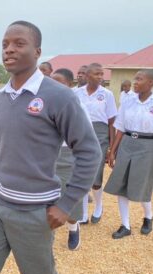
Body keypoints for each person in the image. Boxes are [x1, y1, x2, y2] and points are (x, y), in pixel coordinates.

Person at [0, 21, 101, 274]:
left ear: (37, 52)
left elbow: (89, 152)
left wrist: (67, 204)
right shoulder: (0, 97)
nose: (9, 50)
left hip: (33, 210)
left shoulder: (59, 96)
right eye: (5, 44)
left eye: (19, 44)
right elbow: (4, 143)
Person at [105, 69, 153, 238]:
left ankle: (148, 217)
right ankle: (125, 225)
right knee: (121, 186)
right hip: (126, 144)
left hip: (146, 146)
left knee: (142, 185)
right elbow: (120, 127)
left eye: (139, 79)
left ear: (150, 83)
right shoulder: (128, 101)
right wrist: (112, 151)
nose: (135, 82)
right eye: (135, 78)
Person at [51, 68, 91, 250]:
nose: (54, 86)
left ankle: (73, 228)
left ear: (70, 85)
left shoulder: (77, 106)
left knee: (69, 195)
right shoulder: (43, 103)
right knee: (45, 195)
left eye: (60, 82)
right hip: (46, 155)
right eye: (52, 82)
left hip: (67, 155)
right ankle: (46, 232)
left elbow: (84, 139)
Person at [75, 63, 117, 224]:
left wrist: (112, 149)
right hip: (80, 134)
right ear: (87, 76)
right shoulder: (76, 93)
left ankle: (99, 206)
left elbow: (112, 122)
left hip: (100, 135)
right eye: (96, 74)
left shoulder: (107, 94)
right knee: (81, 173)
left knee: (96, 175)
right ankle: (84, 212)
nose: (100, 77)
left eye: (101, 74)